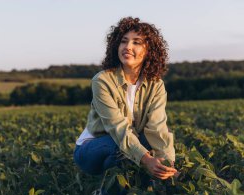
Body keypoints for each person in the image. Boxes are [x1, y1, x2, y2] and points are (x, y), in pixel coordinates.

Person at [74, 17, 177, 181]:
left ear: (149, 51)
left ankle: (128, 186)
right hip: (92, 149)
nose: (128, 47)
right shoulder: (102, 80)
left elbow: (158, 128)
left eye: (136, 42)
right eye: (124, 41)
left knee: (155, 139)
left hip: (125, 142)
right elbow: (118, 129)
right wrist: (147, 159)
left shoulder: (156, 85)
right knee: (122, 147)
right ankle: (106, 194)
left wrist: (168, 166)